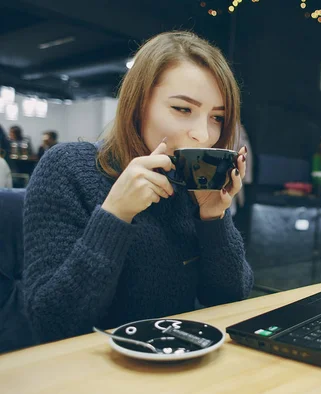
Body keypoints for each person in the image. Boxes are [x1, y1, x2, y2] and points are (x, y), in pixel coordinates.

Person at [22, 31, 254, 344]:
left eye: (217, 117)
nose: (204, 134)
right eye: (183, 109)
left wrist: (214, 219)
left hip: (177, 362)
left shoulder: (188, 184)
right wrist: (116, 214)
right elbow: (52, 322)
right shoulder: (67, 168)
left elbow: (231, 299)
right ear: (139, 104)